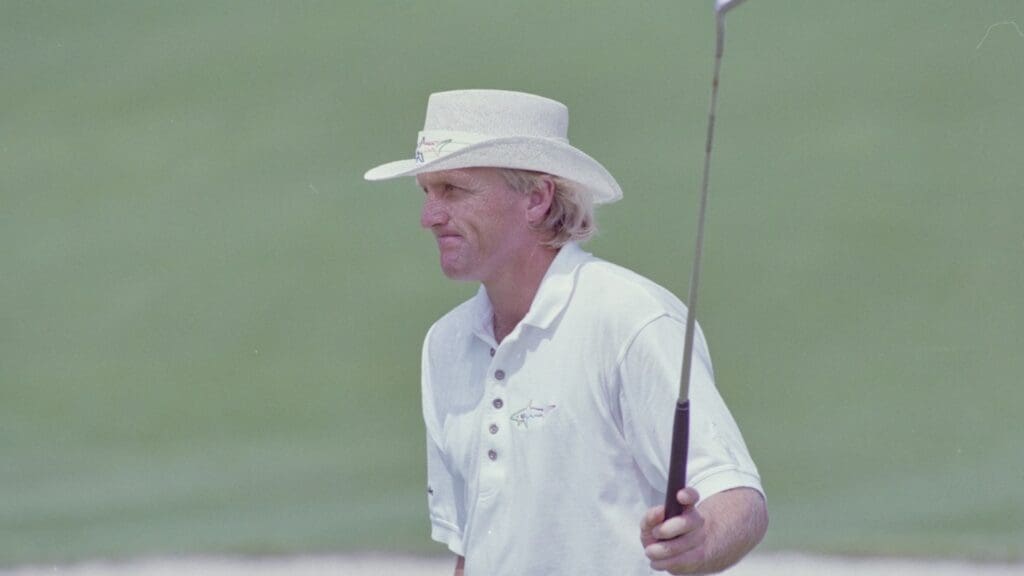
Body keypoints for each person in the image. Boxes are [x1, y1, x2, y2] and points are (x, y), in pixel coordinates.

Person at [364, 89, 767, 575]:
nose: (429, 216)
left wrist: (701, 542)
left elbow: (739, 497)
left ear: (536, 199)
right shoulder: (445, 344)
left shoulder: (631, 319)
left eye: (453, 190)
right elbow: (473, 549)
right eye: (426, 191)